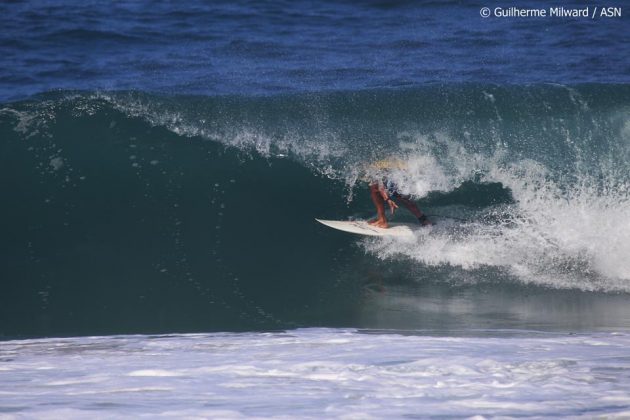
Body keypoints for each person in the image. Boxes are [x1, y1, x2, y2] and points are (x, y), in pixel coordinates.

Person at [366, 159, 431, 229]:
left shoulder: (374, 167)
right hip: (407, 174)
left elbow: (380, 186)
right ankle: (424, 220)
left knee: (374, 188)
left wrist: (388, 199)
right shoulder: (389, 161)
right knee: (403, 198)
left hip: (396, 178)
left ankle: (382, 220)